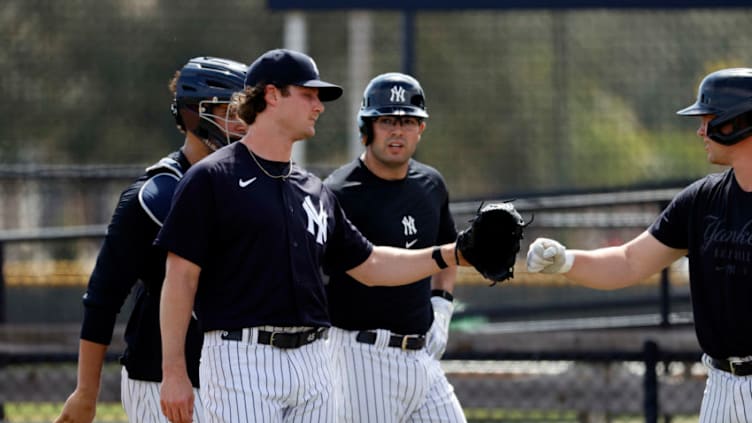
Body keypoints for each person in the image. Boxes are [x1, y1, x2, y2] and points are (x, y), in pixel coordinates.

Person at [155, 49, 471, 423]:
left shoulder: (312, 189)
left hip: (314, 361)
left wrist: (452, 253)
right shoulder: (212, 178)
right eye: (308, 94)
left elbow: (370, 264)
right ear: (272, 95)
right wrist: (173, 370)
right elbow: (179, 278)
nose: (319, 106)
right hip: (243, 358)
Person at [526, 67, 752, 423]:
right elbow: (630, 261)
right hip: (723, 388)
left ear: (738, 122)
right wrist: (566, 261)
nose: (699, 130)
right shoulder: (701, 201)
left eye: (708, 119)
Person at [55, 56, 247, 423]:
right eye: (231, 111)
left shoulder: (251, 187)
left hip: (236, 377)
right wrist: (86, 392)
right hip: (160, 380)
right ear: (196, 114)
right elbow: (103, 298)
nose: (242, 123)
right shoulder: (153, 196)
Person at [323, 72, 465, 422]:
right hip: (360, 356)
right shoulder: (338, 191)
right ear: (367, 127)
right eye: (386, 120)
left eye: (407, 121)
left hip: (421, 355)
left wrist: (442, 308)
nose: (397, 131)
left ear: (421, 129)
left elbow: (448, 253)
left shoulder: (431, 184)